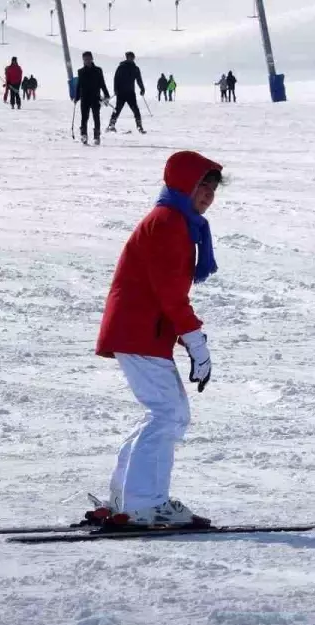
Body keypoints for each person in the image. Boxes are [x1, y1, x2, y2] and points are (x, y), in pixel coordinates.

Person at [95, 150, 224, 527]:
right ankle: (143, 504)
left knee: (163, 413)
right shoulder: (169, 223)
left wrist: (189, 339)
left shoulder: (176, 221)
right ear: (184, 184)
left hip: (140, 330)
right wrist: (196, 343)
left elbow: (166, 294)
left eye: (213, 188)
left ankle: (124, 499)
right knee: (169, 414)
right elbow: (170, 295)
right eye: (203, 185)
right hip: (140, 331)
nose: (208, 194)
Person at [76, 51, 111, 145]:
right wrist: (76, 97)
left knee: (96, 117)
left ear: (92, 59)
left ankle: (97, 136)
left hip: (95, 97)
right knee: (84, 118)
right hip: (84, 98)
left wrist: (106, 95)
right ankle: (84, 135)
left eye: (88, 59)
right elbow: (79, 85)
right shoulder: (81, 71)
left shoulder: (98, 70)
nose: (86, 61)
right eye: (85, 59)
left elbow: (102, 83)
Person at [109, 52, 146, 133]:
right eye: (129, 57)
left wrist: (142, 88)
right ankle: (111, 125)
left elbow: (139, 79)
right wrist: (115, 89)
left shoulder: (135, 68)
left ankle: (139, 126)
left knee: (135, 109)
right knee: (117, 109)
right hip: (121, 92)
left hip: (130, 92)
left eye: (132, 57)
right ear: (127, 57)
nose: (131, 58)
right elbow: (116, 79)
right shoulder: (121, 67)